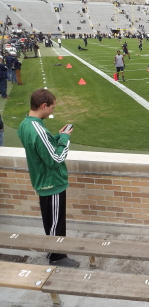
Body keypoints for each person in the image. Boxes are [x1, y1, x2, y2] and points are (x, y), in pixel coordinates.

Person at [17, 89, 80, 267]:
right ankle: (56, 257)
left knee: (51, 220)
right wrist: (65, 139)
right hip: (51, 182)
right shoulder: (38, 130)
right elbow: (57, 158)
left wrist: (57, 136)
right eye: (52, 107)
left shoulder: (25, 124)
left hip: (43, 181)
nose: (52, 111)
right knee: (55, 223)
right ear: (43, 106)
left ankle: (54, 252)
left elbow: (41, 147)